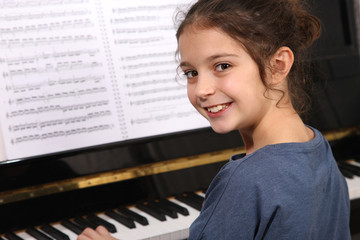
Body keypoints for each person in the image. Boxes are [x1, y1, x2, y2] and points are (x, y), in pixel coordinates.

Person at [77, 0, 351, 239]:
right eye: (191, 73)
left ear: (277, 66)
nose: (201, 89)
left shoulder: (245, 180)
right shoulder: (316, 144)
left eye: (222, 66)